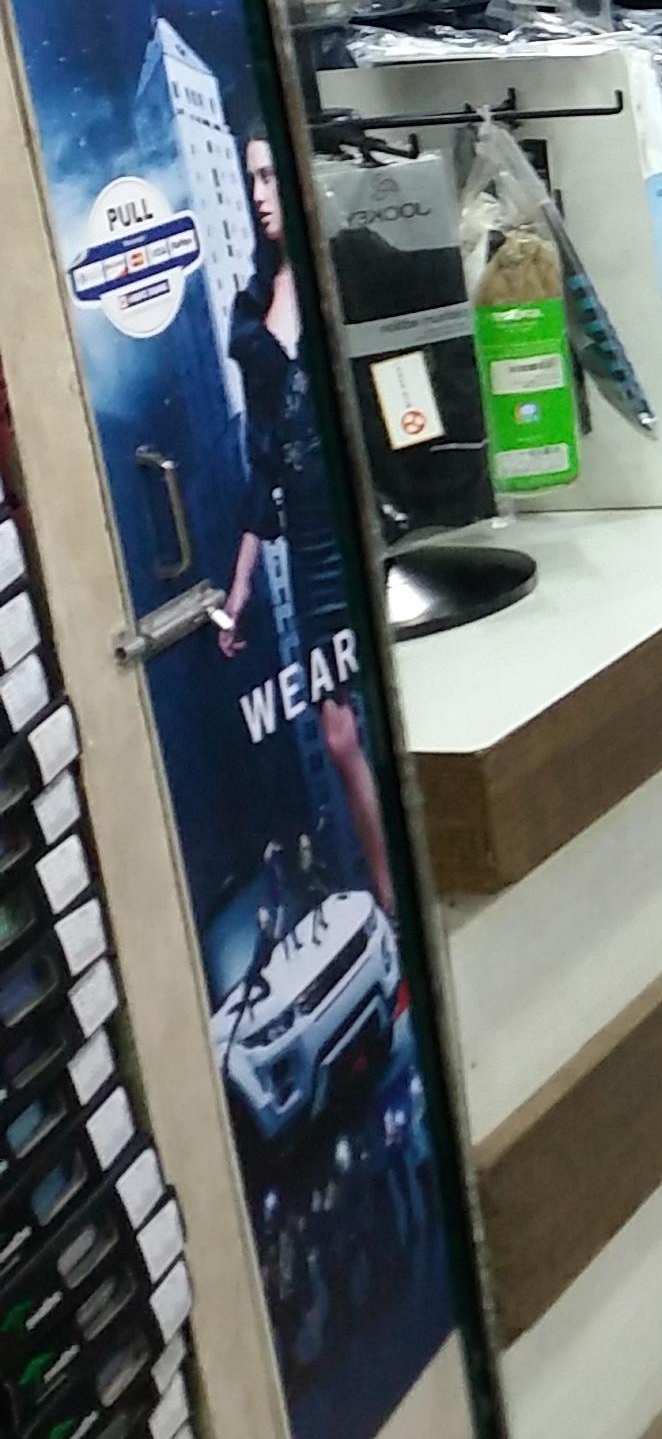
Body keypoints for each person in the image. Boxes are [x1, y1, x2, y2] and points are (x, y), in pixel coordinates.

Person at [218, 133, 394, 918]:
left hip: (364, 516)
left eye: (269, 176)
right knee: (337, 736)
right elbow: (261, 461)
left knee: (395, 699)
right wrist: (240, 589)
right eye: (250, 180)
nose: (260, 195)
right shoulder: (253, 305)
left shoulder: (346, 262)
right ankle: (390, 899)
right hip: (310, 544)